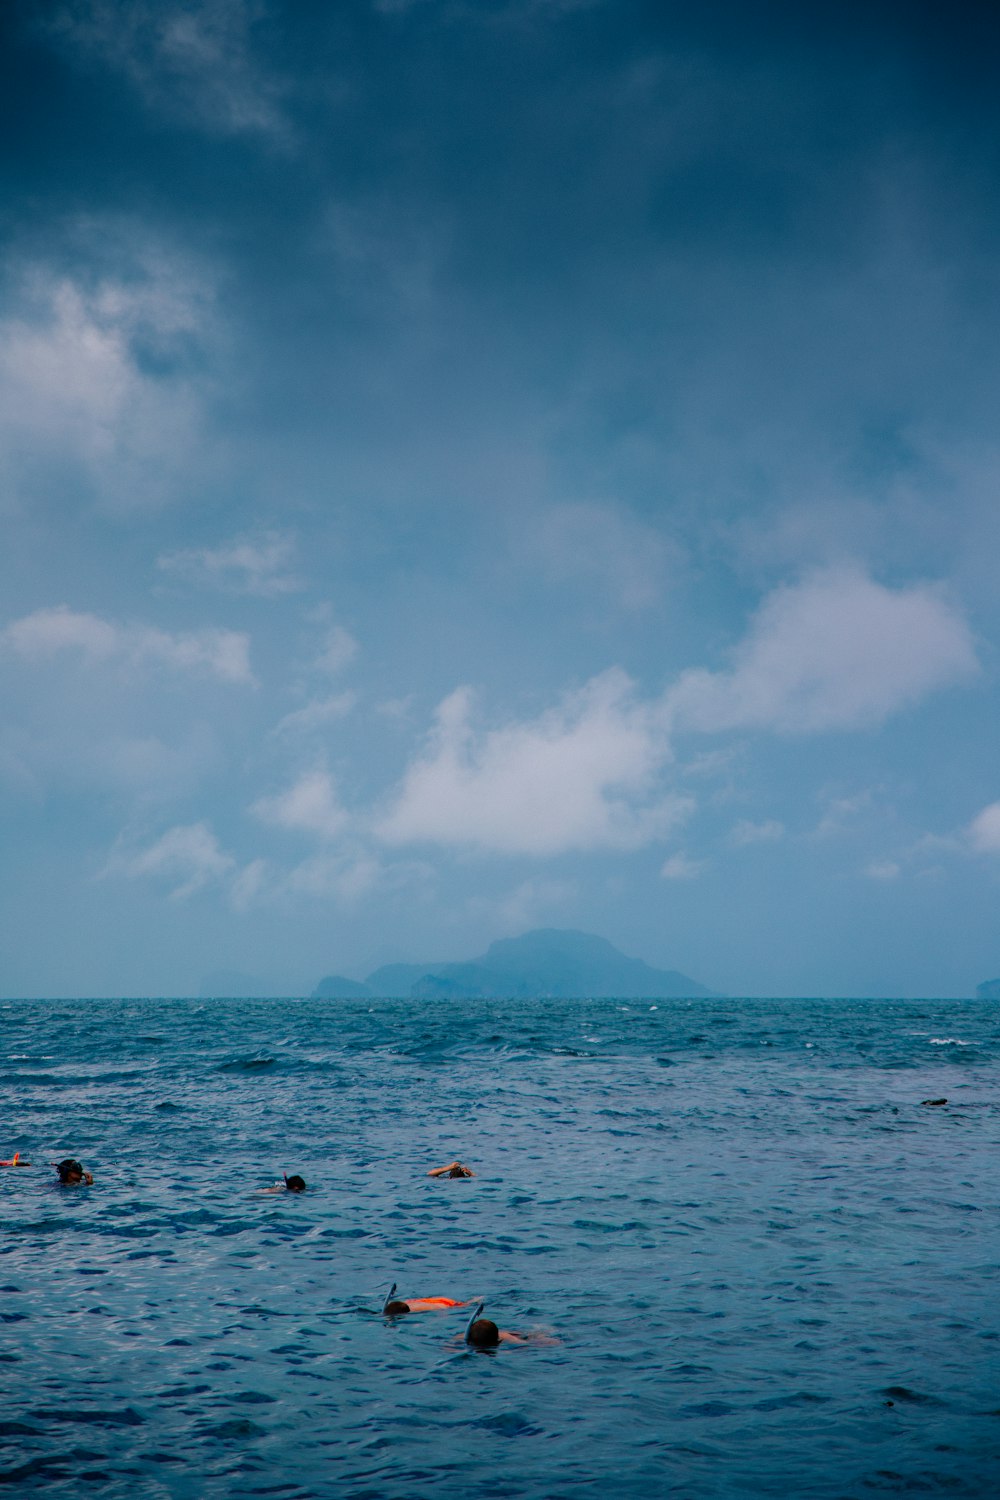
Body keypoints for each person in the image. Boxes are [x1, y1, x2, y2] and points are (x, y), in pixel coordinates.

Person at [464, 1302, 560, 1348]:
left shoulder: (464, 1337)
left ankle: (541, 1333)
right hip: (516, 1339)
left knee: (532, 1336)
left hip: (516, 1338)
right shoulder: (507, 1337)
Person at [383, 1282, 477, 1316]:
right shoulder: (402, 1304)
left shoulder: (416, 1310)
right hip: (437, 1300)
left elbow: (441, 1309)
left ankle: (476, 1300)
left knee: (467, 1304)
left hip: (444, 1304)